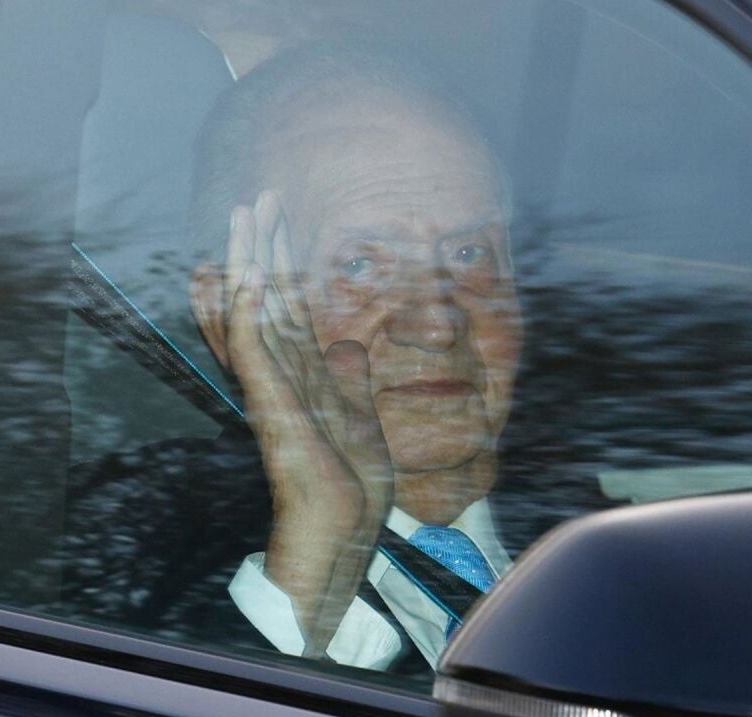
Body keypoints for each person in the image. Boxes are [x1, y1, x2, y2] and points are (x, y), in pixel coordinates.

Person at [183, 47, 523, 671]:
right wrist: (310, 575)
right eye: (361, 265)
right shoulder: (128, 555)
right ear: (228, 315)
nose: (436, 323)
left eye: (470, 254)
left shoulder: (621, 539)